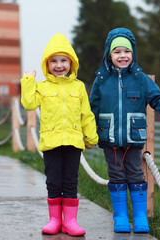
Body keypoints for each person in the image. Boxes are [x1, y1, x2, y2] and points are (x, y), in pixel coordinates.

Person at [89, 27, 160, 233]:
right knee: (115, 175)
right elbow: (91, 110)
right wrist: (88, 133)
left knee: (135, 174)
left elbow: (158, 97)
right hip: (110, 138)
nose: (122, 56)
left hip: (134, 139)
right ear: (109, 54)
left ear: (133, 53)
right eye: (117, 52)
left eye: (127, 51)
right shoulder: (101, 80)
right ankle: (121, 216)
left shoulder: (141, 79)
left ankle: (140, 217)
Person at [20, 33, 98, 236]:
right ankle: (55, 220)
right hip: (51, 142)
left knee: (71, 181)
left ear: (71, 63)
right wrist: (28, 80)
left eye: (64, 60)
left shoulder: (79, 87)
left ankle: (70, 222)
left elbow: (86, 115)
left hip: (73, 142)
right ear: (47, 64)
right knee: (53, 181)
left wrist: (91, 137)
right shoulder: (41, 87)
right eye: (53, 61)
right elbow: (29, 103)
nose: (59, 65)